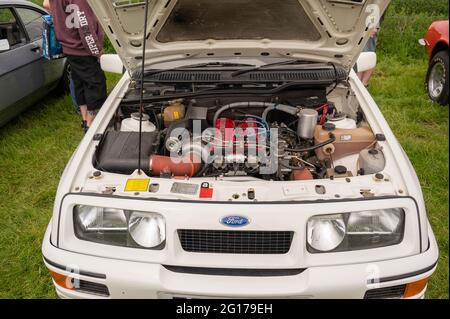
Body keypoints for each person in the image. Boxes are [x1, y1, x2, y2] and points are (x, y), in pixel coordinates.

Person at [45, 0, 106, 133]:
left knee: (79, 82)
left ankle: (85, 120)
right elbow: (86, 29)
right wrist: (98, 53)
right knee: (96, 84)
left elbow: (46, 4)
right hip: (82, 49)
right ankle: (91, 125)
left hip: (69, 47)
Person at [357, 13, 386, 87]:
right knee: (365, 52)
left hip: (370, 16)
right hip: (368, 16)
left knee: (365, 53)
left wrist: (373, 26)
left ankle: (361, 85)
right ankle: (360, 85)